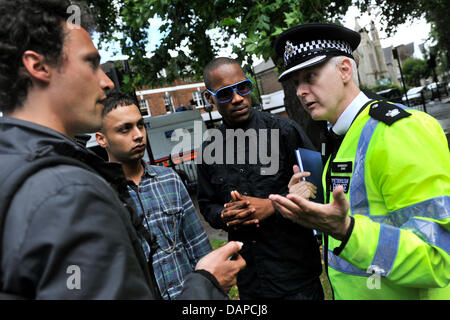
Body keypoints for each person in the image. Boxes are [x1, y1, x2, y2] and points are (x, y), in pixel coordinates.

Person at [0, 0, 244, 299]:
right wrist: (206, 283)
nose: (105, 82)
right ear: (38, 66)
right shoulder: (68, 191)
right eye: (91, 63)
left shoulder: (13, 168)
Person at [270, 22, 450, 299]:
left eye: (311, 76)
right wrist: (310, 202)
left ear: (345, 70)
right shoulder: (343, 133)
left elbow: (439, 260)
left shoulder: (398, 130)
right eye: (296, 83)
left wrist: (347, 231)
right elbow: (359, 210)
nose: (300, 91)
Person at [197, 57, 323, 300]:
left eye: (243, 88)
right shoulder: (208, 151)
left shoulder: (286, 131)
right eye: (224, 93)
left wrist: (274, 205)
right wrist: (224, 215)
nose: (237, 98)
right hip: (251, 281)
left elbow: (318, 189)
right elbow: (207, 205)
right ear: (209, 98)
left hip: (296, 277)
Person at [95, 90, 213, 300]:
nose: (139, 134)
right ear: (101, 139)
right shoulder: (98, 194)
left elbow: (198, 246)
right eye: (125, 129)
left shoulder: (170, 179)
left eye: (140, 124)